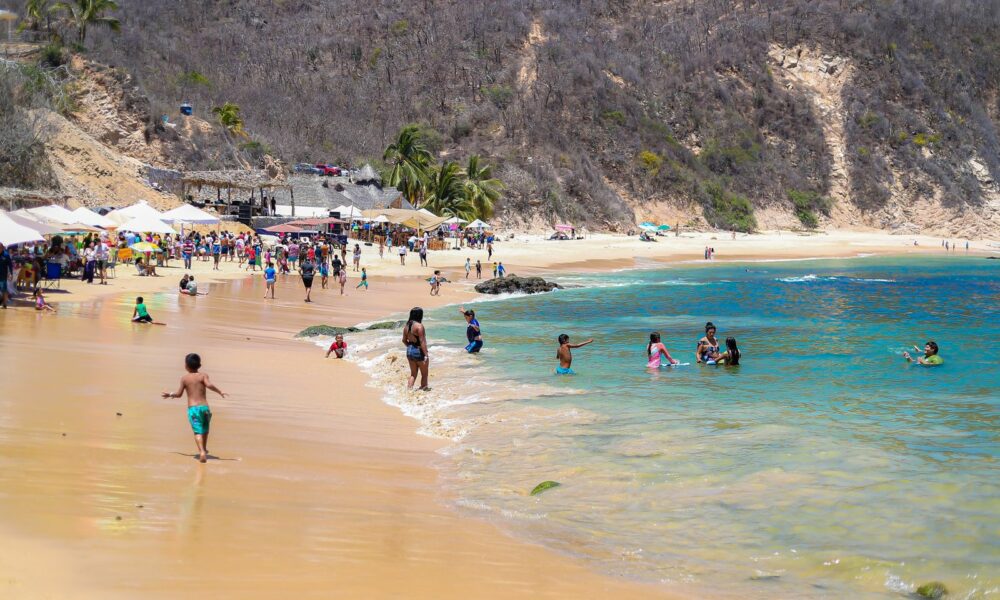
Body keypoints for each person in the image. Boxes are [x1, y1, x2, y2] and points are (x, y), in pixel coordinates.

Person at [161, 353, 227, 464]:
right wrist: (220, 391)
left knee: (197, 432)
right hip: (205, 408)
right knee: (205, 429)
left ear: (186, 366)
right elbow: (209, 385)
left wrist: (170, 394)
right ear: (199, 365)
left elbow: (179, 394)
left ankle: (201, 451)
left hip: (193, 409)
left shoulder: (184, 379)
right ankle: (204, 449)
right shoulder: (203, 376)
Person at [402, 307, 429, 390]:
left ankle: (409, 390)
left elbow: (404, 340)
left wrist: (411, 347)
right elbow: (422, 341)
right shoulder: (419, 326)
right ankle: (424, 390)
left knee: (413, 374)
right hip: (418, 351)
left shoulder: (406, 326)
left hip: (409, 351)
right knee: (424, 374)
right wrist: (426, 355)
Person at [0, 243, 11, 309]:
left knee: (4, 289)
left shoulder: (6, 255)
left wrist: (11, 273)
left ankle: (5, 303)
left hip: (3, 275)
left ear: (2, 248)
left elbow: (10, 265)